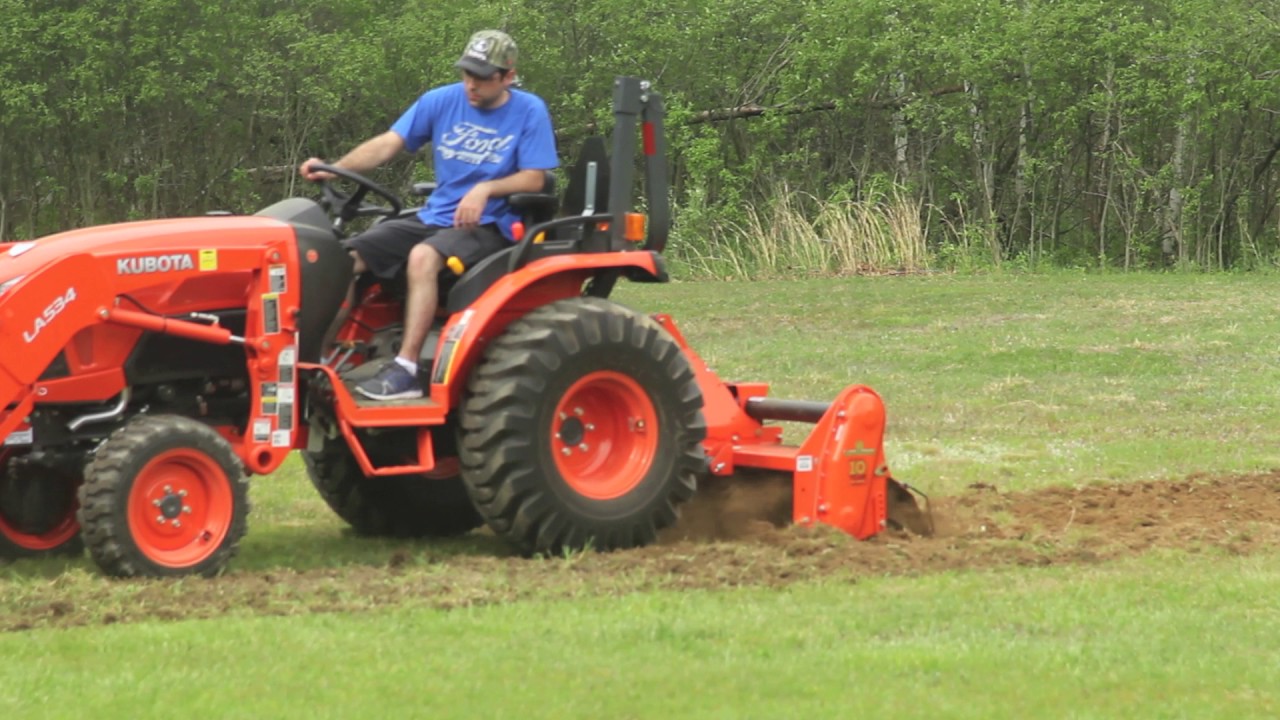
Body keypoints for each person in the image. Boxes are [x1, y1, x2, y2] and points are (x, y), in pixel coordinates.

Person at [299, 29, 558, 401]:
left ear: (508, 77)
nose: (471, 84)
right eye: (467, 74)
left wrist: (485, 188)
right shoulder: (441, 101)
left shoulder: (528, 110)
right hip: (436, 216)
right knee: (343, 259)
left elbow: (535, 178)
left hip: (491, 223)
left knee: (422, 257)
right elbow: (389, 144)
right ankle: (316, 361)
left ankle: (405, 369)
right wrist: (334, 167)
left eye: (483, 78)